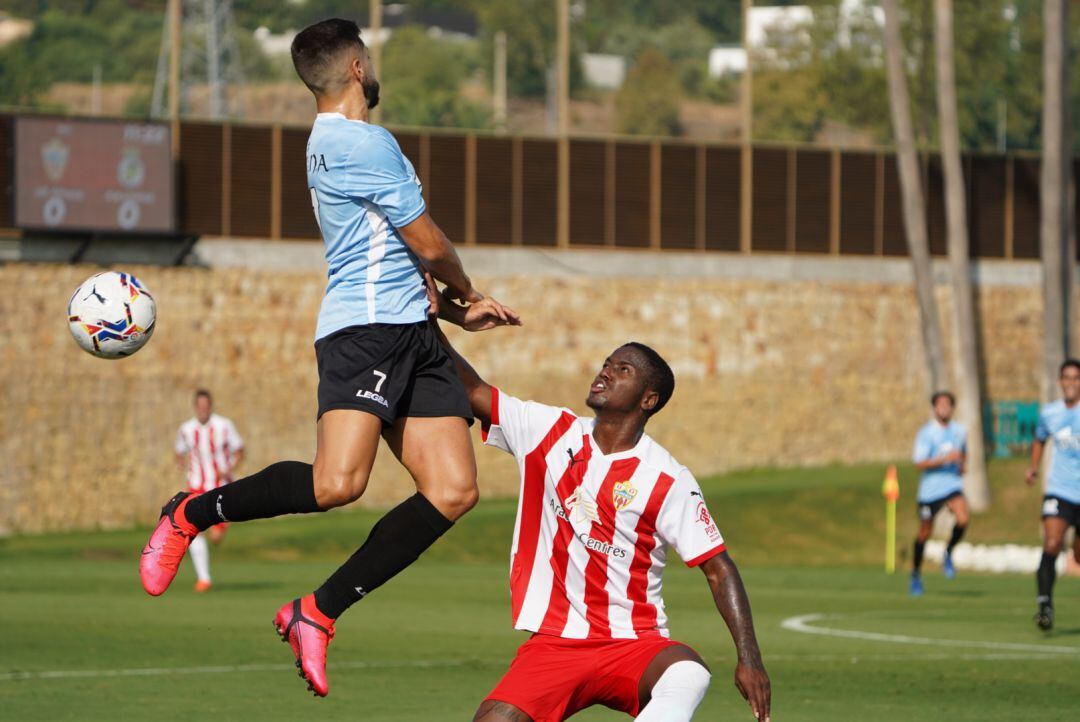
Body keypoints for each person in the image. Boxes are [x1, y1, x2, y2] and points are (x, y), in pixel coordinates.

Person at [140, 18, 520, 697]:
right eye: (369, 59)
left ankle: (316, 611)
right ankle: (191, 513)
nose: (374, 70)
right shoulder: (362, 142)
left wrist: (448, 309)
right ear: (356, 68)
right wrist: (467, 291)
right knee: (335, 485)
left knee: (454, 491)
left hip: (411, 329)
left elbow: (393, 248)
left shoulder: (330, 142)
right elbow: (429, 244)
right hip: (366, 332)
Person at [433, 309, 770, 722]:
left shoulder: (667, 479)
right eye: (606, 365)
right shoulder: (548, 431)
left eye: (623, 369)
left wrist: (749, 658)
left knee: (688, 672)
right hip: (556, 644)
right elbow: (472, 390)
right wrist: (425, 319)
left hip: (633, 643)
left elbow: (719, 568)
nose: (606, 373)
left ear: (649, 400)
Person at [1025, 359, 1080, 631]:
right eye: (1066, 378)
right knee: (1052, 543)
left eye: (1076, 378)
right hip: (1059, 489)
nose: (1071, 383)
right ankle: (1045, 606)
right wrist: (1033, 467)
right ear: (1060, 381)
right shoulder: (1050, 413)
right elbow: (1039, 438)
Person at [173, 389, 245, 592]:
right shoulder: (186, 429)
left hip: (221, 485)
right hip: (196, 485)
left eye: (206, 406)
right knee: (192, 530)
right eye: (199, 406)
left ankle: (223, 524)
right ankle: (204, 579)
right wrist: (180, 464)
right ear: (195, 407)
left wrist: (230, 468)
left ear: (210, 406)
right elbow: (179, 451)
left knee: (215, 538)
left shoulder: (224, 425)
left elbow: (240, 451)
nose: (203, 410)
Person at [909, 391, 970, 597]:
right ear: (934, 408)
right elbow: (919, 463)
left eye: (947, 404)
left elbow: (963, 452)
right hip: (930, 491)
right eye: (940, 404)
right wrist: (945, 459)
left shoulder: (959, 431)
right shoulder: (927, 433)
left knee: (963, 518)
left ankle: (948, 552)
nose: (944, 408)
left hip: (951, 485)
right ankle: (916, 574)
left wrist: (962, 465)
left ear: (952, 408)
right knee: (925, 533)